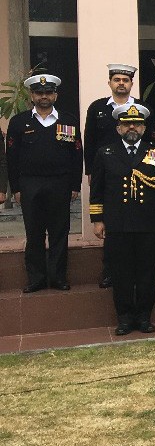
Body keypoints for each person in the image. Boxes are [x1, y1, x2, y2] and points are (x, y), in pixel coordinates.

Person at [89, 103, 155, 334]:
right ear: (118, 128)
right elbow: (97, 190)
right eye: (126, 124)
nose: (131, 127)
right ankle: (124, 318)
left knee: (147, 271)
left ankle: (144, 316)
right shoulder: (105, 153)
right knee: (121, 272)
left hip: (149, 221)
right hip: (118, 222)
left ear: (144, 128)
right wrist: (98, 219)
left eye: (136, 123)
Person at [8, 74, 81, 293]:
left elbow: (77, 155)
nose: (44, 97)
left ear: (55, 95)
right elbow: (11, 157)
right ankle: (36, 278)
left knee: (59, 232)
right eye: (39, 93)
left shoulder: (68, 120)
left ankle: (58, 277)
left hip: (60, 183)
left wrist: (75, 185)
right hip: (30, 185)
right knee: (34, 233)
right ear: (32, 95)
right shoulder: (19, 122)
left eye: (48, 93)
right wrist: (17, 189)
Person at [84, 64, 145, 289]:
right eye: (117, 79)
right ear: (110, 82)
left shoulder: (142, 108)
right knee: (112, 226)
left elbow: (151, 142)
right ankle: (110, 271)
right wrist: (90, 171)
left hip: (136, 172)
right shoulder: (97, 108)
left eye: (125, 80)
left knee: (137, 224)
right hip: (108, 173)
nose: (121, 83)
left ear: (131, 84)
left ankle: (139, 271)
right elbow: (89, 140)